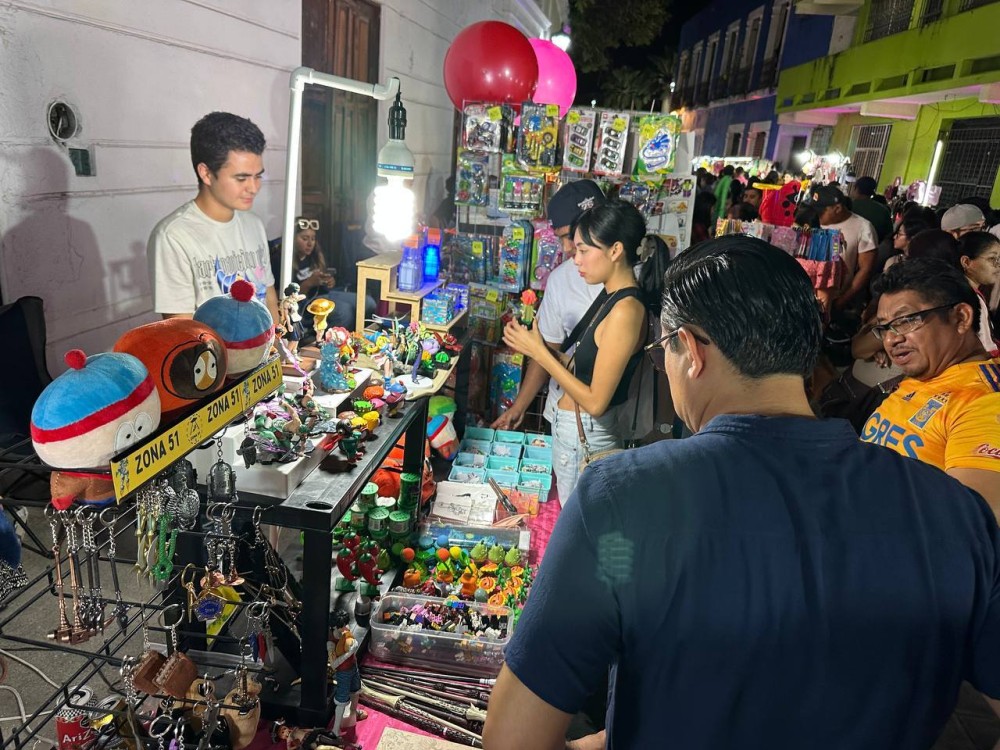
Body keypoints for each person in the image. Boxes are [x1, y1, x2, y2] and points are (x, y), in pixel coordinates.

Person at [484, 237, 1000, 750]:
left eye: (662, 349)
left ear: (690, 350)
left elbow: (514, 739)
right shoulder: (958, 515)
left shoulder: (623, 500)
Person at [501, 199, 661, 502]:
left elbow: (596, 401)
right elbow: (589, 368)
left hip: (587, 432)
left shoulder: (626, 309)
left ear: (615, 251)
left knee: (580, 527)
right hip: (575, 431)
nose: (576, 260)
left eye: (584, 251)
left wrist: (542, 353)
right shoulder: (612, 298)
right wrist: (539, 349)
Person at [861, 258, 1000, 515]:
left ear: (961, 317)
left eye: (906, 320)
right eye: (885, 327)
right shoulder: (927, 372)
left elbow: (973, 527)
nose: (892, 339)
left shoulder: (984, 403)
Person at [491, 180, 605, 434]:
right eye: (560, 238)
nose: (565, 248)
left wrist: (537, 349)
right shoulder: (561, 279)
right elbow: (549, 347)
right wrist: (519, 407)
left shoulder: (632, 287)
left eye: (569, 236)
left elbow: (598, 399)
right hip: (563, 415)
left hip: (608, 425)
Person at [148, 111, 279, 321]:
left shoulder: (253, 224)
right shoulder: (174, 236)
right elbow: (182, 329)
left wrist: (276, 348)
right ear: (206, 174)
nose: (253, 188)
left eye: (258, 176)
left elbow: (269, 297)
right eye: (241, 178)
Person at [268, 217, 373, 334]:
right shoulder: (280, 260)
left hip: (324, 295)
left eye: (313, 239)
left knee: (368, 302)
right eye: (304, 238)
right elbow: (279, 297)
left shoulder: (315, 256)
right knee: (344, 311)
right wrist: (308, 284)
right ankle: (331, 343)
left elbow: (324, 284)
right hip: (303, 305)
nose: (310, 243)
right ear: (292, 238)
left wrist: (329, 282)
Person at [811, 185, 878, 312]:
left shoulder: (863, 228)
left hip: (837, 300)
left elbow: (866, 270)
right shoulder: (811, 222)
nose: (816, 215)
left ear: (837, 208)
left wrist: (841, 301)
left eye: (821, 212)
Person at [955, 231, 1000, 356]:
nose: (998, 265)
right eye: (992, 259)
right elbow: (988, 348)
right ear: (966, 262)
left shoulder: (960, 291)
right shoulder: (971, 298)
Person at [849, 175, 893, 243]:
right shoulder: (883, 210)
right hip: (874, 249)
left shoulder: (848, 206)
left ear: (856, 188)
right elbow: (889, 236)